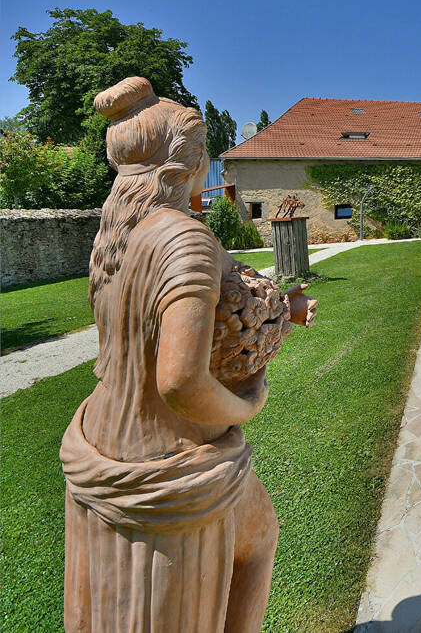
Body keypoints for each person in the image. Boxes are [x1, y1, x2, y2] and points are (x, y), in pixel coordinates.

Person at [60, 77, 315, 632]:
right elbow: (179, 381)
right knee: (234, 562)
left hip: (104, 435)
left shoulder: (114, 235)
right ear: (193, 162)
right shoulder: (185, 241)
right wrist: (247, 406)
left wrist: (282, 309)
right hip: (166, 453)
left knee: (249, 541)